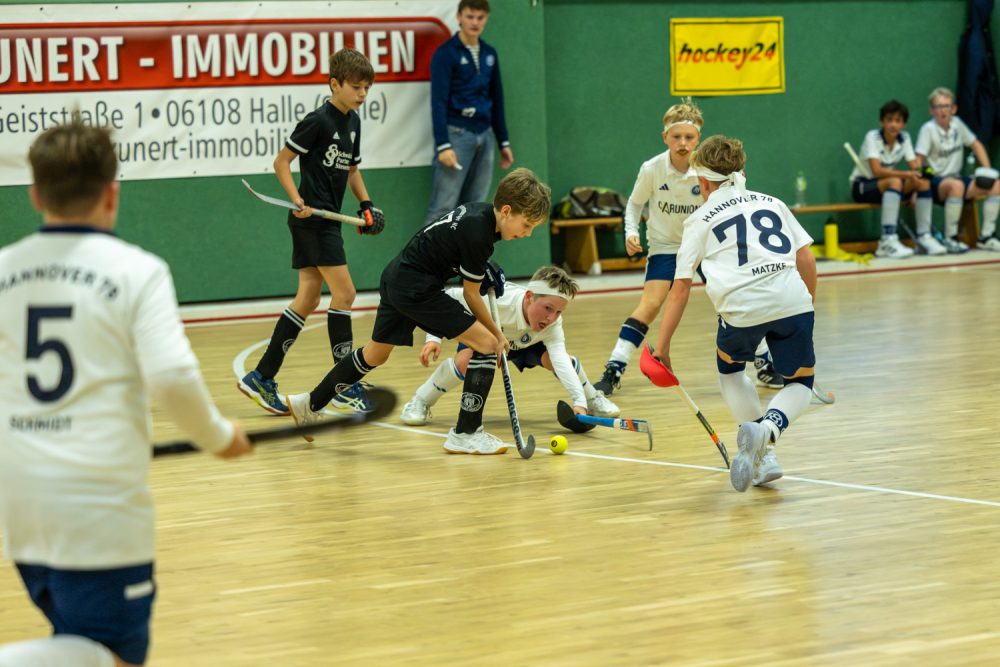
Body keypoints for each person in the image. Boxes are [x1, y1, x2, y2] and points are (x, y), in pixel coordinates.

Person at [0, 118, 252, 667]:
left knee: (76, 646)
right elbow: (172, 376)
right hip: (97, 508)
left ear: (35, 194)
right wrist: (217, 437)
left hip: (19, 503)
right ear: (112, 193)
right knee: (111, 656)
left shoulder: (3, 270)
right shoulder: (139, 272)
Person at [286, 168, 550, 455]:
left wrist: (482, 267)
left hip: (396, 277)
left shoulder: (480, 213)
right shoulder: (480, 234)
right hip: (416, 288)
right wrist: (497, 334)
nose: (527, 233)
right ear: (507, 211)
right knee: (486, 344)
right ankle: (466, 433)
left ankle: (309, 404)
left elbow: (451, 248)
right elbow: (471, 295)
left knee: (375, 354)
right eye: (526, 225)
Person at [649, 135, 818, 493]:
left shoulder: (698, 220)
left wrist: (662, 346)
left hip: (741, 309)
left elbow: (680, 288)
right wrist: (807, 305)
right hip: (793, 299)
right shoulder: (773, 203)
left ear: (703, 182)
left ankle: (762, 453)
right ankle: (768, 431)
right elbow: (805, 256)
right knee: (800, 383)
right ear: (742, 171)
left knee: (731, 372)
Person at [238, 48, 385, 416]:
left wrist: (367, 205)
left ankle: (261, 376)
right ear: (334, 84)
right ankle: (344, 385)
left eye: (367, 88)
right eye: (356, 87)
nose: (362, 94)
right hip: (313, 220)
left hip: (327, 220)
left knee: (307, 298)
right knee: (345, 294)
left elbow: (351, 170)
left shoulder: (354, 122)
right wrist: (297, 198)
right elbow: (281, 162)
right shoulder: (317, 121)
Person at [400, 265, 619, 427]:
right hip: (490, 336)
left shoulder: (552, 324)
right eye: (547, 308)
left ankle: (592, 398)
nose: (551, 317)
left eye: (559, 312)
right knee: (465, 362)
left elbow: (561, 360)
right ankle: (421, 400)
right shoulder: (499, 300)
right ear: (529, 297)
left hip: (529, 343)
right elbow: (447, 298)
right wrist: (433, 338)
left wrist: (578, 402)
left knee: (561, 361)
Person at [592, 99, 706, 397]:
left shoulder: (707, 168)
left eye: (689, 137)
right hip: (665, 246)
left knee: (730, 299)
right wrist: (631, 232)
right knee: (651, 304)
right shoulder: (652, 168)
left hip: (704, 245)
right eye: (676, 136)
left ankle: (764, 360)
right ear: (665, 137)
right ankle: (614, 368)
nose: (683, 143)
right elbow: (634, 204)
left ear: (699, 139)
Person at [423, 0, 513, 226]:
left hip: (485, 135)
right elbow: (438, 101)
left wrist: (503, 141)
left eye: (480, 17)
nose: (475, 22)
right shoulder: (446, 54)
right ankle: (424, 251)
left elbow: (498, 99)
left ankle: (465, 251)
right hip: (456, 134)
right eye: (470, 16)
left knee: (474, 208)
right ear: (459, 17)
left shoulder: (489, 54)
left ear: (486, 19)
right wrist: (443, 144)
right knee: (442, 208)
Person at [849, 99, 937, 259]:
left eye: (898, 120)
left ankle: (925, 236)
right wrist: (907, 175)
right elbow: (877, 171)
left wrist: (918, 185)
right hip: (862, 186)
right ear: (882, 121)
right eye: (889, 120)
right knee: (896, 181)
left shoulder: (905, 138)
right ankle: (887, 241)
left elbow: (915, 168)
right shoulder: (872, 137)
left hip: (889, 187)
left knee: (923, 182)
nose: (893, 125)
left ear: (904, 124)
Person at [915, 86, 1000, 252]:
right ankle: (950, 237)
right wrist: (930, 176)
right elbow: (918, 162)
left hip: (956, 179)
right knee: (956, 185)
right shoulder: (927, 129)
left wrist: (987, 170)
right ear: (931, 110)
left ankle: (986, 237)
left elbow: (976, 145)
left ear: (953, 109)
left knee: (996, 185)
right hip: (936, 182)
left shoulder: (958, 124)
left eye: (946, 106)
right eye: (938, 107)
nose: (943, 111)